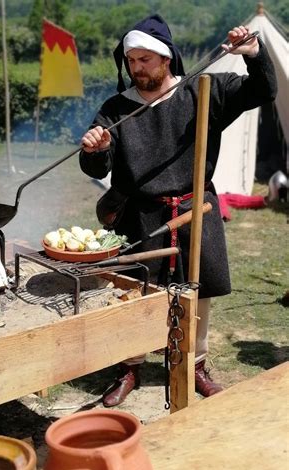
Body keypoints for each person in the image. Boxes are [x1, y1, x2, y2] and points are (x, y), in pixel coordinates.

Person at [79, 14, 277, 407]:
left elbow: (264, 90)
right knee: (132, 294)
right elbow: (97, 167)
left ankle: (195, 364)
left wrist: (253, 53)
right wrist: (96, 149)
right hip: (139, 214)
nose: (137, 68)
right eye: (131, 60)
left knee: (197, 293)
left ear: (166, 58)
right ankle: (129, 367)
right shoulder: (116, 108)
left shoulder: (203, 91)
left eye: (145, 60)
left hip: (193, 209)